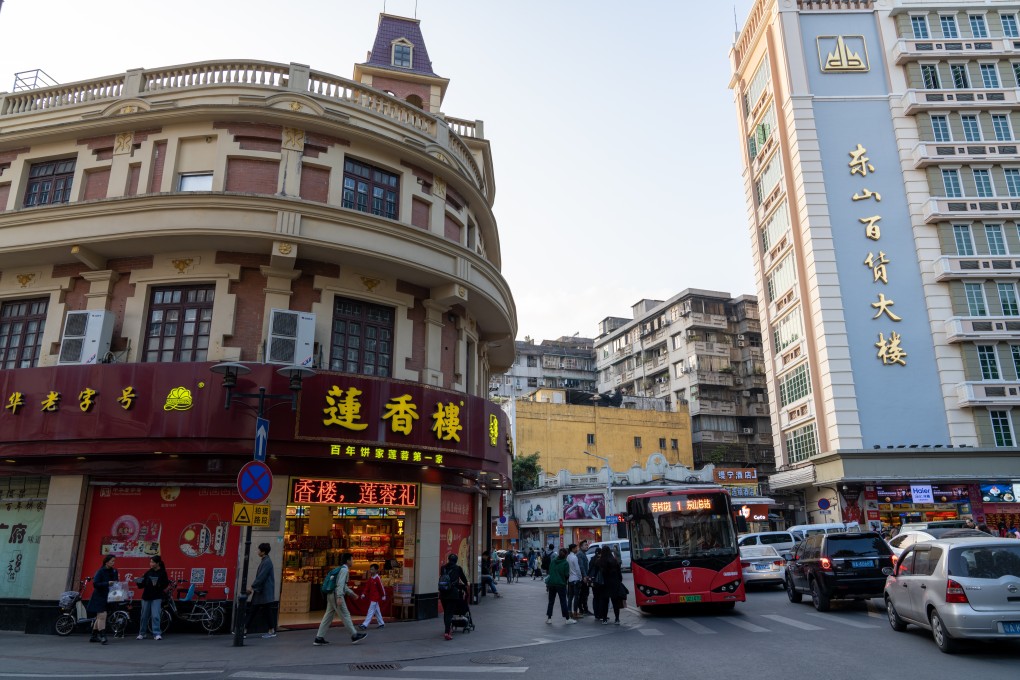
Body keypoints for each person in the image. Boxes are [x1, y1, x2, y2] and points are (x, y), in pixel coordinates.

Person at [314, 553, 367, 645]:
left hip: (331, 594)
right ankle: (354, 635)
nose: (353, 561)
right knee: (345, 614)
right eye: (352, 559)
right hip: (336, 594)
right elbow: (341, 584)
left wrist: (351, 593)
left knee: (328, 616)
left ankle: (319, 637)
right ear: (348, 561)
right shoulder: (344, 570)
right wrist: (339, 596)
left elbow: (341, 585)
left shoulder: (339, 569)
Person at [245, 543, 278, 639]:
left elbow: (261, 577)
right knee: (261, 611)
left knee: (255, 611)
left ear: (263, 552)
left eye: (259, 550)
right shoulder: (265, 561)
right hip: (262, 592)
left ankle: (244, 630)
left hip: (264, 592)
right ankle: (244, 629)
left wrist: (252, 587)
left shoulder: (267, 562)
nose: (257, 551)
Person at [135, 555, 170, 641]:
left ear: (158, 563)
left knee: (155, 616)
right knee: (144, 616)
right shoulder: (148, 572)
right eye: (150, 562)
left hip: (157, 596)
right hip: (146, 596)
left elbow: (165, 584)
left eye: (153, 562)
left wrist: (157, 584)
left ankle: (157, 633)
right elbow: (142, 584)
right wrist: (138, 581)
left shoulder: (162, 573)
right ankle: (142, 633)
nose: (151, 564)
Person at [88, 554, 118, 644]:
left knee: (100, 617)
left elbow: (116, 582)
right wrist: (107, 583)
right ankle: (103, 636)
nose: (113, 563)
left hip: (109, 597)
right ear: (106, 562)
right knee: (102, 616)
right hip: (99, 597)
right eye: (112, 561)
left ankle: (93, 636)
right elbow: (95, 584)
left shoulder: (114, 571)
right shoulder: (100, 571)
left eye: (114, 561)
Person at [439, 554, 468, 641]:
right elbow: (464, 579)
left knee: (446, 613)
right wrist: (466, 585)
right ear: (456, 560)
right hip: (453, 594)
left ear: (448, 559)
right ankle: (447, 632)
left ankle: (448, 629)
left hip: (443, 593)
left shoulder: (443, 568)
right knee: (449, 613)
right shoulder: (458, 568)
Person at [545, 547, 574, 625]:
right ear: (566, 555)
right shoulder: (565, 563)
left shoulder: (553, 561)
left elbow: (550, 571)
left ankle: (549, 618)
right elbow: (566, 575)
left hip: (552, 583)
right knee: (563, 601)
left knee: (551, 601)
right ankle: (567, 618)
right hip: (561, 584)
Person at [600, 546, 624, 626]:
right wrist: (619, 581)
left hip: (604, 584)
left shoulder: (600, 561)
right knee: (615, 602)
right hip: (614, 583)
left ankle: (604, 619)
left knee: (604, 602)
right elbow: (619, 573)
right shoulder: (614, 561)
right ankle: (617, 619)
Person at [359, 563, 386, 630]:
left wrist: (383, 595)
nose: (371, 571)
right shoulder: (371, 578)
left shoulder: (377, 578)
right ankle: (381, 623)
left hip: (375, 598)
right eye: (370, 569)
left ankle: (365, 624)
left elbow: (381, 587)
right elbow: (367, 587)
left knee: (370, 611)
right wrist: (364, 594)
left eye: (372, 569)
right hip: (372, 597)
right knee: (377, 611)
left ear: (376, 570)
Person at [588, 547, 608, 623]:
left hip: (594, 582)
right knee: (601, 598)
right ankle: (601, 614)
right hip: (600, 582)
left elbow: (589, 569)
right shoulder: (601, 560)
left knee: (595, 597)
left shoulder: (592, 559)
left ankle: (596, 614)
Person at [565, 543, 582, 619]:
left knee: (570, 597)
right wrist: (580, 577)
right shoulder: (574, 557)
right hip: (576, 578)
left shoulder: (568, 557)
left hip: (570, 579)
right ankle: (575, 612)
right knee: (576, 597)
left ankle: (569, 611)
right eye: (576, 548)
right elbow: (577, 569)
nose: (577, 549)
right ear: (572, 549)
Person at [575, 540, 591, 616]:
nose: (587, 546)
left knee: (585, 593)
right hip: (582, 578)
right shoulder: (580, 554)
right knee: (583, 594)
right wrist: (584, 576)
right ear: (581, 547)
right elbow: (581, 566)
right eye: (585, 545)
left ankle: (584, 609)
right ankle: (582, 609)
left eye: (587, 545)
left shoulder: (583, 553)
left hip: (584, 576)